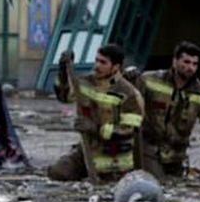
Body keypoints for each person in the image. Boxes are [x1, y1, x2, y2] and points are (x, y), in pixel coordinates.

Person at [129, 41, 200, 179]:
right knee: (158, 186)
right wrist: (128, 79)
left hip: (177, 156)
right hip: (149, 152)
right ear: (175, 61)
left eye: (194, 64)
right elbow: (125, 103)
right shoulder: (149, 80)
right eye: (186, 62)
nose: (190, 67)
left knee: (176, 187)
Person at [47, 43, 144, 182]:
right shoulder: (87, 82)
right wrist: (63, 71)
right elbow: (64, 96)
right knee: (58, 172)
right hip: (88, 150)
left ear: (115, 67)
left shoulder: (128, 93)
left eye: (103, 62)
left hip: (113, 158)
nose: (97, 65)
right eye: (97, 60)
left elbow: (129, 130)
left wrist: (95, 128)